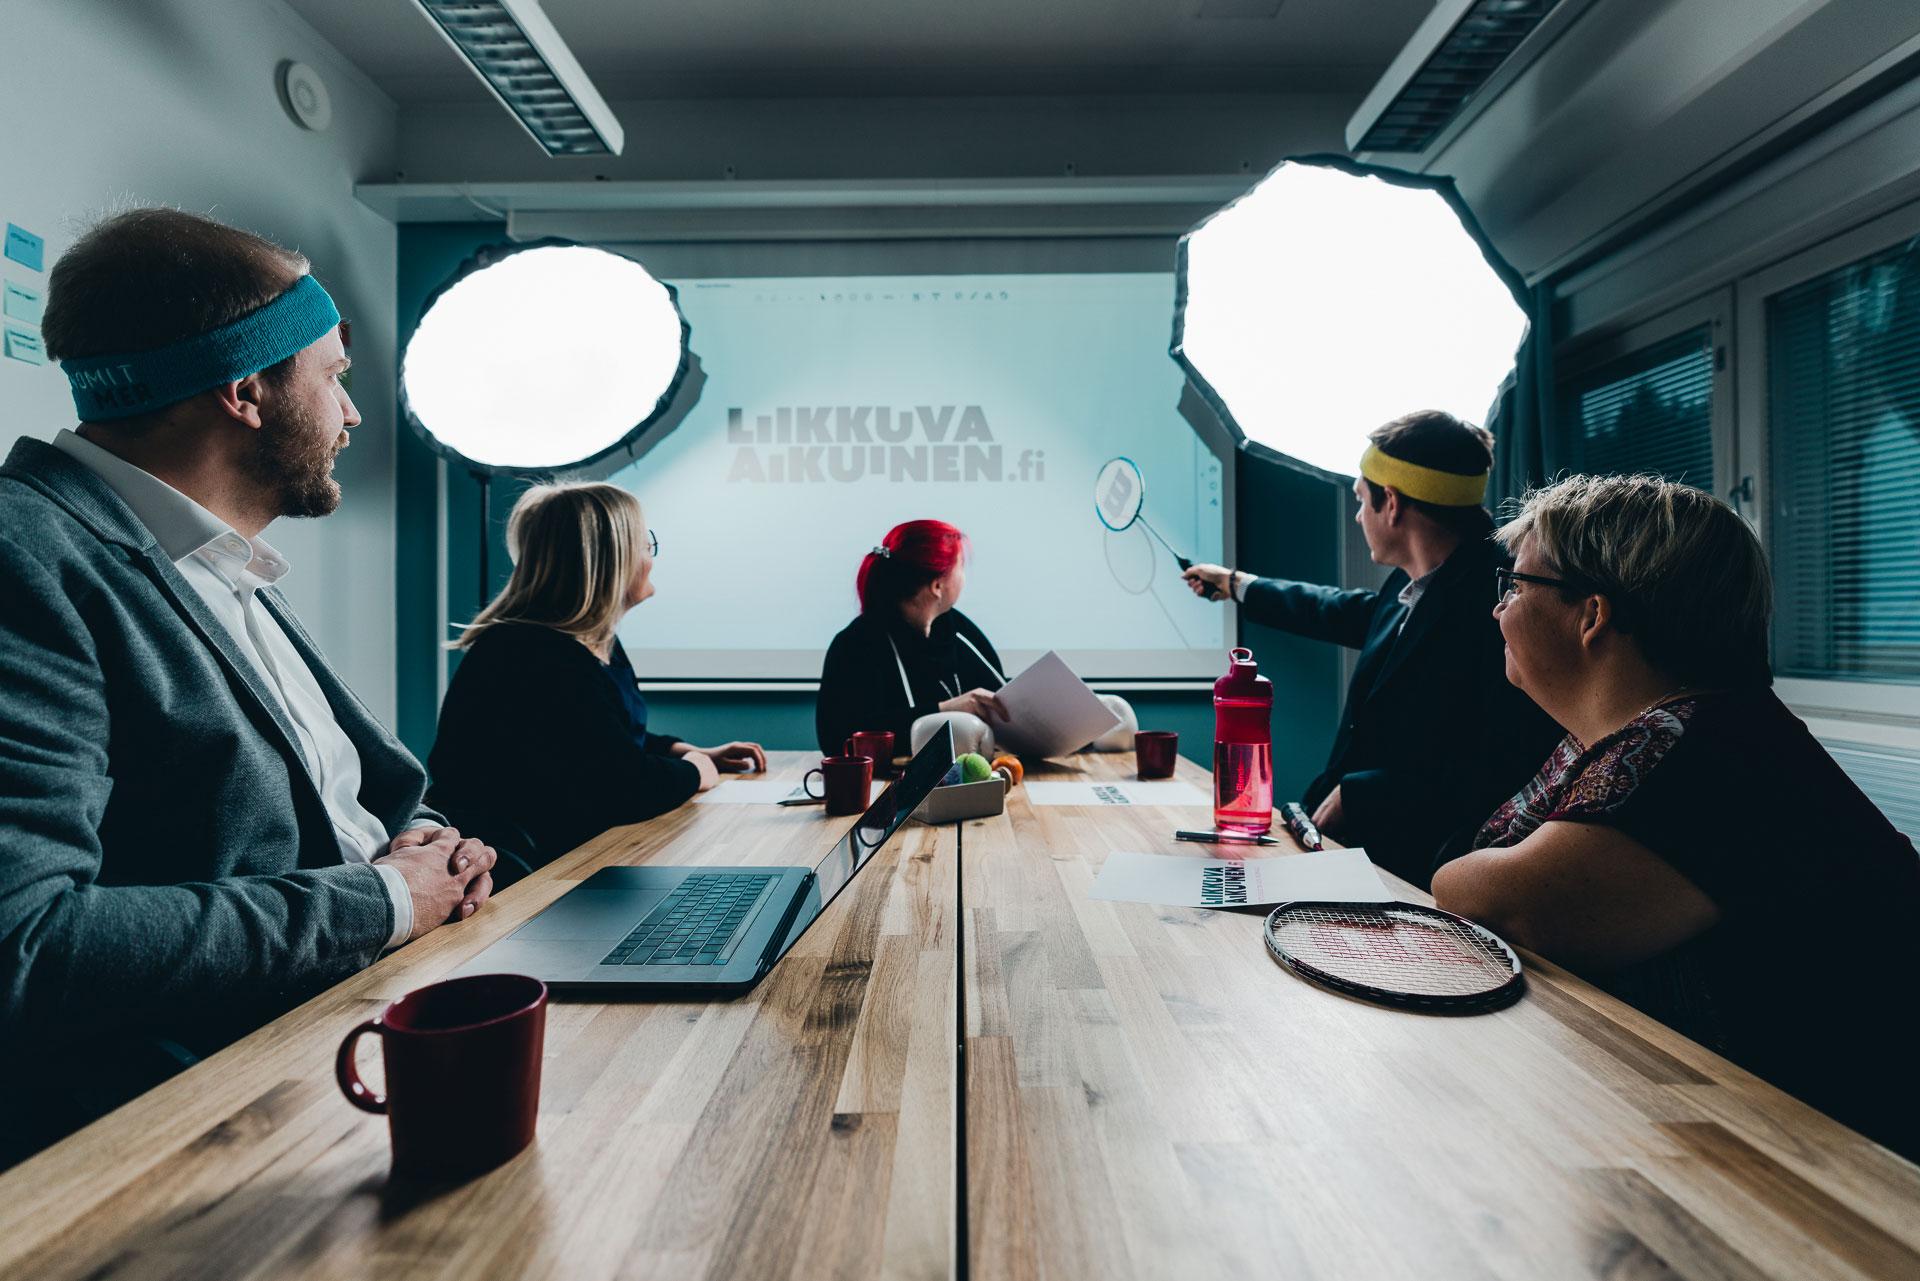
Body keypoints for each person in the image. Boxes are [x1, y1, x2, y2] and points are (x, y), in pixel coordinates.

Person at [0, 209, 497, 1165]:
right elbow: (28, 947)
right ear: (245, 390)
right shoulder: (28, 559)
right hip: (202, 1128)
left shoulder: (214, 565)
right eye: (335, 379)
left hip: (360, 1024)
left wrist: (422, 843)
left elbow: (334, 812)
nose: (351, 415)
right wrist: (385, 900)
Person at [1432, 474, 1920, 1160]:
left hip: (1851, 1179)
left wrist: (1456, 873)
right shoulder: (1678, 730)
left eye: (1513, 586)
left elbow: (1510, 908)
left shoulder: (1699, 752)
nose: (1497, 610)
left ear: (1590, 613)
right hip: (1766, 1137)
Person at [1183, 410, 1559, 885]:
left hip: (1421, 877)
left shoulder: (1504, 607)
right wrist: (1237, 584)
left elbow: (1497, 762)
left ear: (1393, 503)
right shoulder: (1416, 586)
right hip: (1355, 849)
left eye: (1362, 500)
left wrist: (1362, 796)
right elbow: (1339, 610)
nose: (1358, 515)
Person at [428, 482, 766, 873]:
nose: (651, 558)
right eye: (645, 545)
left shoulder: (589, 643)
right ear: (613, 560)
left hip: (569, 858)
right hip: (524, 880)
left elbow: (598, 742)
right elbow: (621, 786)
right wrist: (695, 773)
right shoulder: (535, 657)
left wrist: (687, 751)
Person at [816, 520, 1011, 758]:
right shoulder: (855, 645)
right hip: (886, 788)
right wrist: (944, 711)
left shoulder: (959, 630)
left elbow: (1001, 706)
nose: (964, 577)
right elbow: (838, 739)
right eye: (961, 566)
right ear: (937, 585)